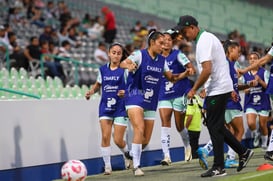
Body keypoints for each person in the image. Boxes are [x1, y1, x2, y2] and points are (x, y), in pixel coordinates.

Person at [173, 15, 253, 177]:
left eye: (184, 30)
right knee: (215, 125)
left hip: (218, 88)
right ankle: (242, 151)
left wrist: (194, 89)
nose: (183, 35)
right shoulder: (206, 38)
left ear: (193, 27)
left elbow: (207, 69)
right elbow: (211, 69)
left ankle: (219, 166)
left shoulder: (203, 41)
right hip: (218, 87)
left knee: (214, 127)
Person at [120, 29, 193, 176]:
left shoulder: (162, 61)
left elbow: (171, 78)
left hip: (151, 101)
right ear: (152, 43)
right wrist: (128, 65)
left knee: (145, 140)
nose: (163, 46)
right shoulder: (140, 54)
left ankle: (129, 154)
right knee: (139, 128)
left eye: (165, 43)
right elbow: (124, 63)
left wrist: (186, 73)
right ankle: (137, 167)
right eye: (160, 43)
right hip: (135, 96)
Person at [197, 40, 248, 170]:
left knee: (222, 129)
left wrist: (246, 85)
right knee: (238, 130)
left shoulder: (229, 64)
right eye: (237, 50)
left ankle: (207, 150)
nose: (239, 53)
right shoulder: (227, 65)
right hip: (229, 102)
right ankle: (230, 158)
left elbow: (232, 85)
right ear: (230, 50)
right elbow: (220, 82)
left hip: (224, 100)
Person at [85, 42, 132, 175]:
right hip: (105, 107)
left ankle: (127, 154)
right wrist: (90, 92)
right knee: (105, 136)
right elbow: (97, 85)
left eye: (119, 53)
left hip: (120, 108)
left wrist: (126, 92)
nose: (116, 55)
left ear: (122, 55)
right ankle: (107, 167)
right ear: (109, 54)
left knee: (117, 139)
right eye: (114, 52)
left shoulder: (125, 70)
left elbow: (132, 87)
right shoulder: (102, 69)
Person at [158, 29, 196, 165]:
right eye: (164, 40)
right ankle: (166, 156)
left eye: (169, 40)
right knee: (164, 122)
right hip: (163, 94)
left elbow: (191, 68)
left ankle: (187, 146)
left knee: (179, 126)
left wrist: (190, 70)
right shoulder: (156, 58)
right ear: (159, 43)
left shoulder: (177, 54)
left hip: (180, 92)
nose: (166, 42)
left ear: (171, 42)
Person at [241, 52, 271, 150]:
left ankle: (264, 143)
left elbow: (269, 87)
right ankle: (255, 134)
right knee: (250, 123)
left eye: (255, 58)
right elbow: (242, 88)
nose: (252, 60)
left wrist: (260, 81)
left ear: (259, 60)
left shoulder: (265, 72)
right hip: (250, 102)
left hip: (263, 102)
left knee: (263, 125)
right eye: (250, 58)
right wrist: (246, 89)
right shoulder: (245, 74)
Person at [184, 94, 203, 160]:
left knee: (190, 150)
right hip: (197, 128)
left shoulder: (190, 99)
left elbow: (190, 116)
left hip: (190, 128)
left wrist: (185, 128)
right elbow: (203, 111)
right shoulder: (197, 98)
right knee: (195, 148)